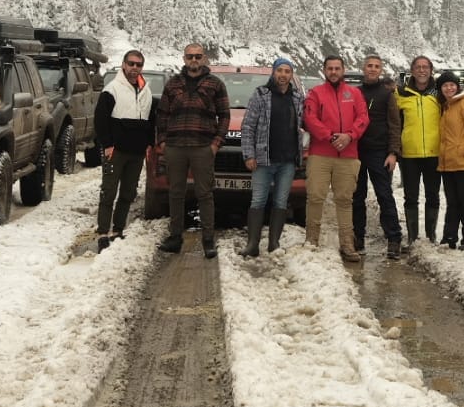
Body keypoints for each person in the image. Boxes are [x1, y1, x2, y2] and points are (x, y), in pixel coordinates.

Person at [155, 43, 230, 259]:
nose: (194, 60)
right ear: (184, 58)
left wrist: (216, 142)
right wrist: (162, 142)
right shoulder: (173, 84)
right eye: (190, 57)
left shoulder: (215, 84)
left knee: (204, 194)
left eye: (198, 56)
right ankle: (175, 237)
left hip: (202, 147)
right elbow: (162, 115)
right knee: (176, 193)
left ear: (204, 58)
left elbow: (224, 115)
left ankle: (208, 239)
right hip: (175, 147)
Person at [302, 54, 369, 261]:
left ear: (343, 69)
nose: (333, 72)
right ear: (324, 70)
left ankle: (347, 244)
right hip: (321, 153)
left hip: (348, 155)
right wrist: (329, 136)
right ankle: (311, 240)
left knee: (344, 200)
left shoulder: (354, 93)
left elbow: (363, 117)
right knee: (315, 197)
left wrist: (350, 135)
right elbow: (309, 118)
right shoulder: (315, 93)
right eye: (329, 68)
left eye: (337, 68)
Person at [240, 57, 306, 257]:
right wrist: (249, 155)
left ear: (291, 75)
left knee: (280, 201)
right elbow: (248, 126)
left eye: (287, 71)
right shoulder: (261, 94)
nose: (283, 75)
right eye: (280, 71)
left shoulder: (296, 98)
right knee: (258, 200)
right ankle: (252, 244)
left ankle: (274, 243)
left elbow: (304, 123)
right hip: (263, 159)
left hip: (287, 160)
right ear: (273, 72)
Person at [95, 50, 156, 252]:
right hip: (116, 151)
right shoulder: (112, 90)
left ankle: (118, 230)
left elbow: (150, 120)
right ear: (123, 65)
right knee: (109, 191)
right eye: (131, 64)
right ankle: (103, 232)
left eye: (138, 65)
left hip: (137, 152)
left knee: (128, 192)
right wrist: (107, 145)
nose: (134, 68)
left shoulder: (146, 90)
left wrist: (149, 142)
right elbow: (101, 120)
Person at [352, 53, 404, 259]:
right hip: (356, 152)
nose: (373, 69)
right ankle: (358, 238)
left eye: (376, 66)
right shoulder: (355, 93)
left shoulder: (387, 94)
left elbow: (395, 124)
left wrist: (393, 153)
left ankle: (394, 239)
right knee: (357, 197)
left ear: (380, 70)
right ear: (363, 69)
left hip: (380, 152)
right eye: (369, 66)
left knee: (384, 195)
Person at [396, 55, 443, 248]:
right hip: (409, 154)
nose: (422, 70)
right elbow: (392, 119)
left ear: (431, 70)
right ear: (412, 71)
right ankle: (412, 236)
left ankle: (431, 234)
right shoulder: (401, 93)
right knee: (410, 196)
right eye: (418, 67)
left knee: (433, 195)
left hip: (434, 152)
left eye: (425, 67)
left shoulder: (439, 93)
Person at [436, 71, 464, 249]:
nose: (449, 88)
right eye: (445, 85)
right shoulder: (446, 106)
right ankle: (450, 236)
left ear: (457, 86)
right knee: (452, 202)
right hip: (448, 163)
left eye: (452, 85)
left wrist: (460, 151)